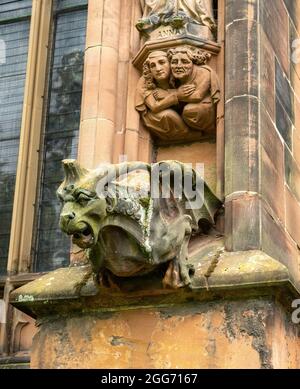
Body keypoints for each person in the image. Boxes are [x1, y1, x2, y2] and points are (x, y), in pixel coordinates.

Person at [135, 50, 189, 140]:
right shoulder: (145, 81)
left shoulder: (178, 73)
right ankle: (187, 133)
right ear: (149, 70)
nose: (158, 69)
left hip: (180, 108)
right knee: (168, 115)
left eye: (162, 62)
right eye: (153, 66)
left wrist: (168, 92)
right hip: (155, 116)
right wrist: (176, 95)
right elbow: (154, 107)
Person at [167, 46, 220, 132]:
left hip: (206, 106)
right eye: (174, 62)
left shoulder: (203, 72)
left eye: (184, 62)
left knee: (190, 111)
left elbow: (197, 96)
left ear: (193, 63)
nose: (178, 66)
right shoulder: (173, 77)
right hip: (184, 106)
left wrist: (174, 94)